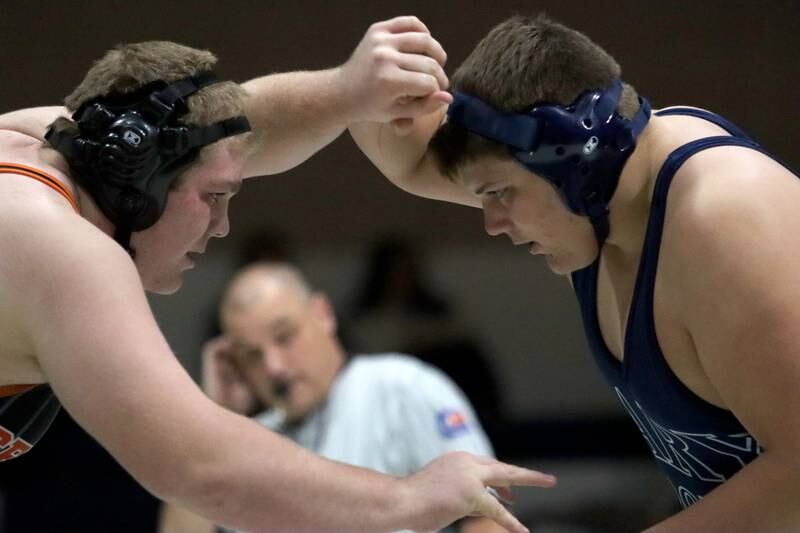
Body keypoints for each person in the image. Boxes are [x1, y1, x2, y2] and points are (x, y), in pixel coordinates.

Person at [0, 16, 557, 533]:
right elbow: (203, 470)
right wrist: (411, 498)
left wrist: (347, 91)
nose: (221, 228)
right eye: (214, 197)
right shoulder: (62, 249)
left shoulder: (53, 144)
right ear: (138, 184)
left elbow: (228, 129)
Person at [350, 13, 800, 531]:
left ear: (577, 163)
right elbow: (408, 164)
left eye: (498, 194)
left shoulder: (722, 217)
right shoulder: (600, 200)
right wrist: (358, 87)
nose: (492, 224)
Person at [160, 261, 509, 533]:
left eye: (285, 336)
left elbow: (489, 515)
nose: (275, 367)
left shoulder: (401, 386)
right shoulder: (250, 441)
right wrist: (213, 413)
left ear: (322, 313)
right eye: (252, 355)